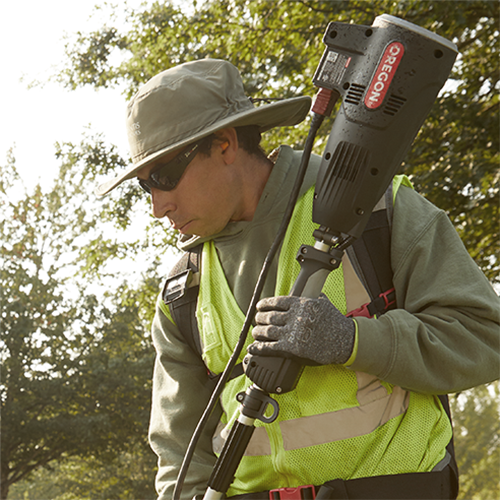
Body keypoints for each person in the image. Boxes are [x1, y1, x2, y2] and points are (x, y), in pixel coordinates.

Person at [96, 59, 500, 500]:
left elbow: (484, 336)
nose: (157, 205)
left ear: (225, 144)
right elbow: (179, 450)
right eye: (144, 186)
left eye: (164, 176)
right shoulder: (183, 290)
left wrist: (352, 341)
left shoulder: (379, 212)